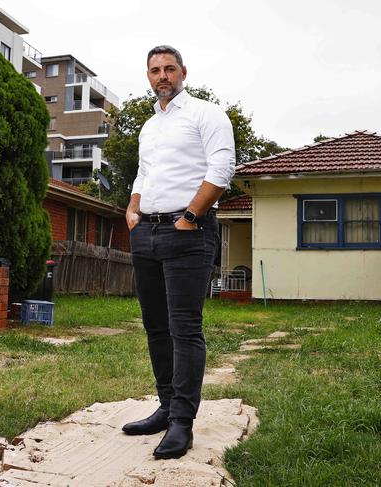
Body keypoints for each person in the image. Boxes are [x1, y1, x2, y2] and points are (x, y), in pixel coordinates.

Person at [122, 45, 236, 460]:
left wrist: (189, 216)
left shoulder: (207, 114)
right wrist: (133, 208)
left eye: (169, 68)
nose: (162, 76)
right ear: (148, 76)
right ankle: (166, 407)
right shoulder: (149, 126)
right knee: (155, 327)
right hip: (147, 233)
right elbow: (144, 171)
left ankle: (182, 424)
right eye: (155, 70)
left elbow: (222, 168)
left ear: (183, 72)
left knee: (184, 329)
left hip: (187, 232)